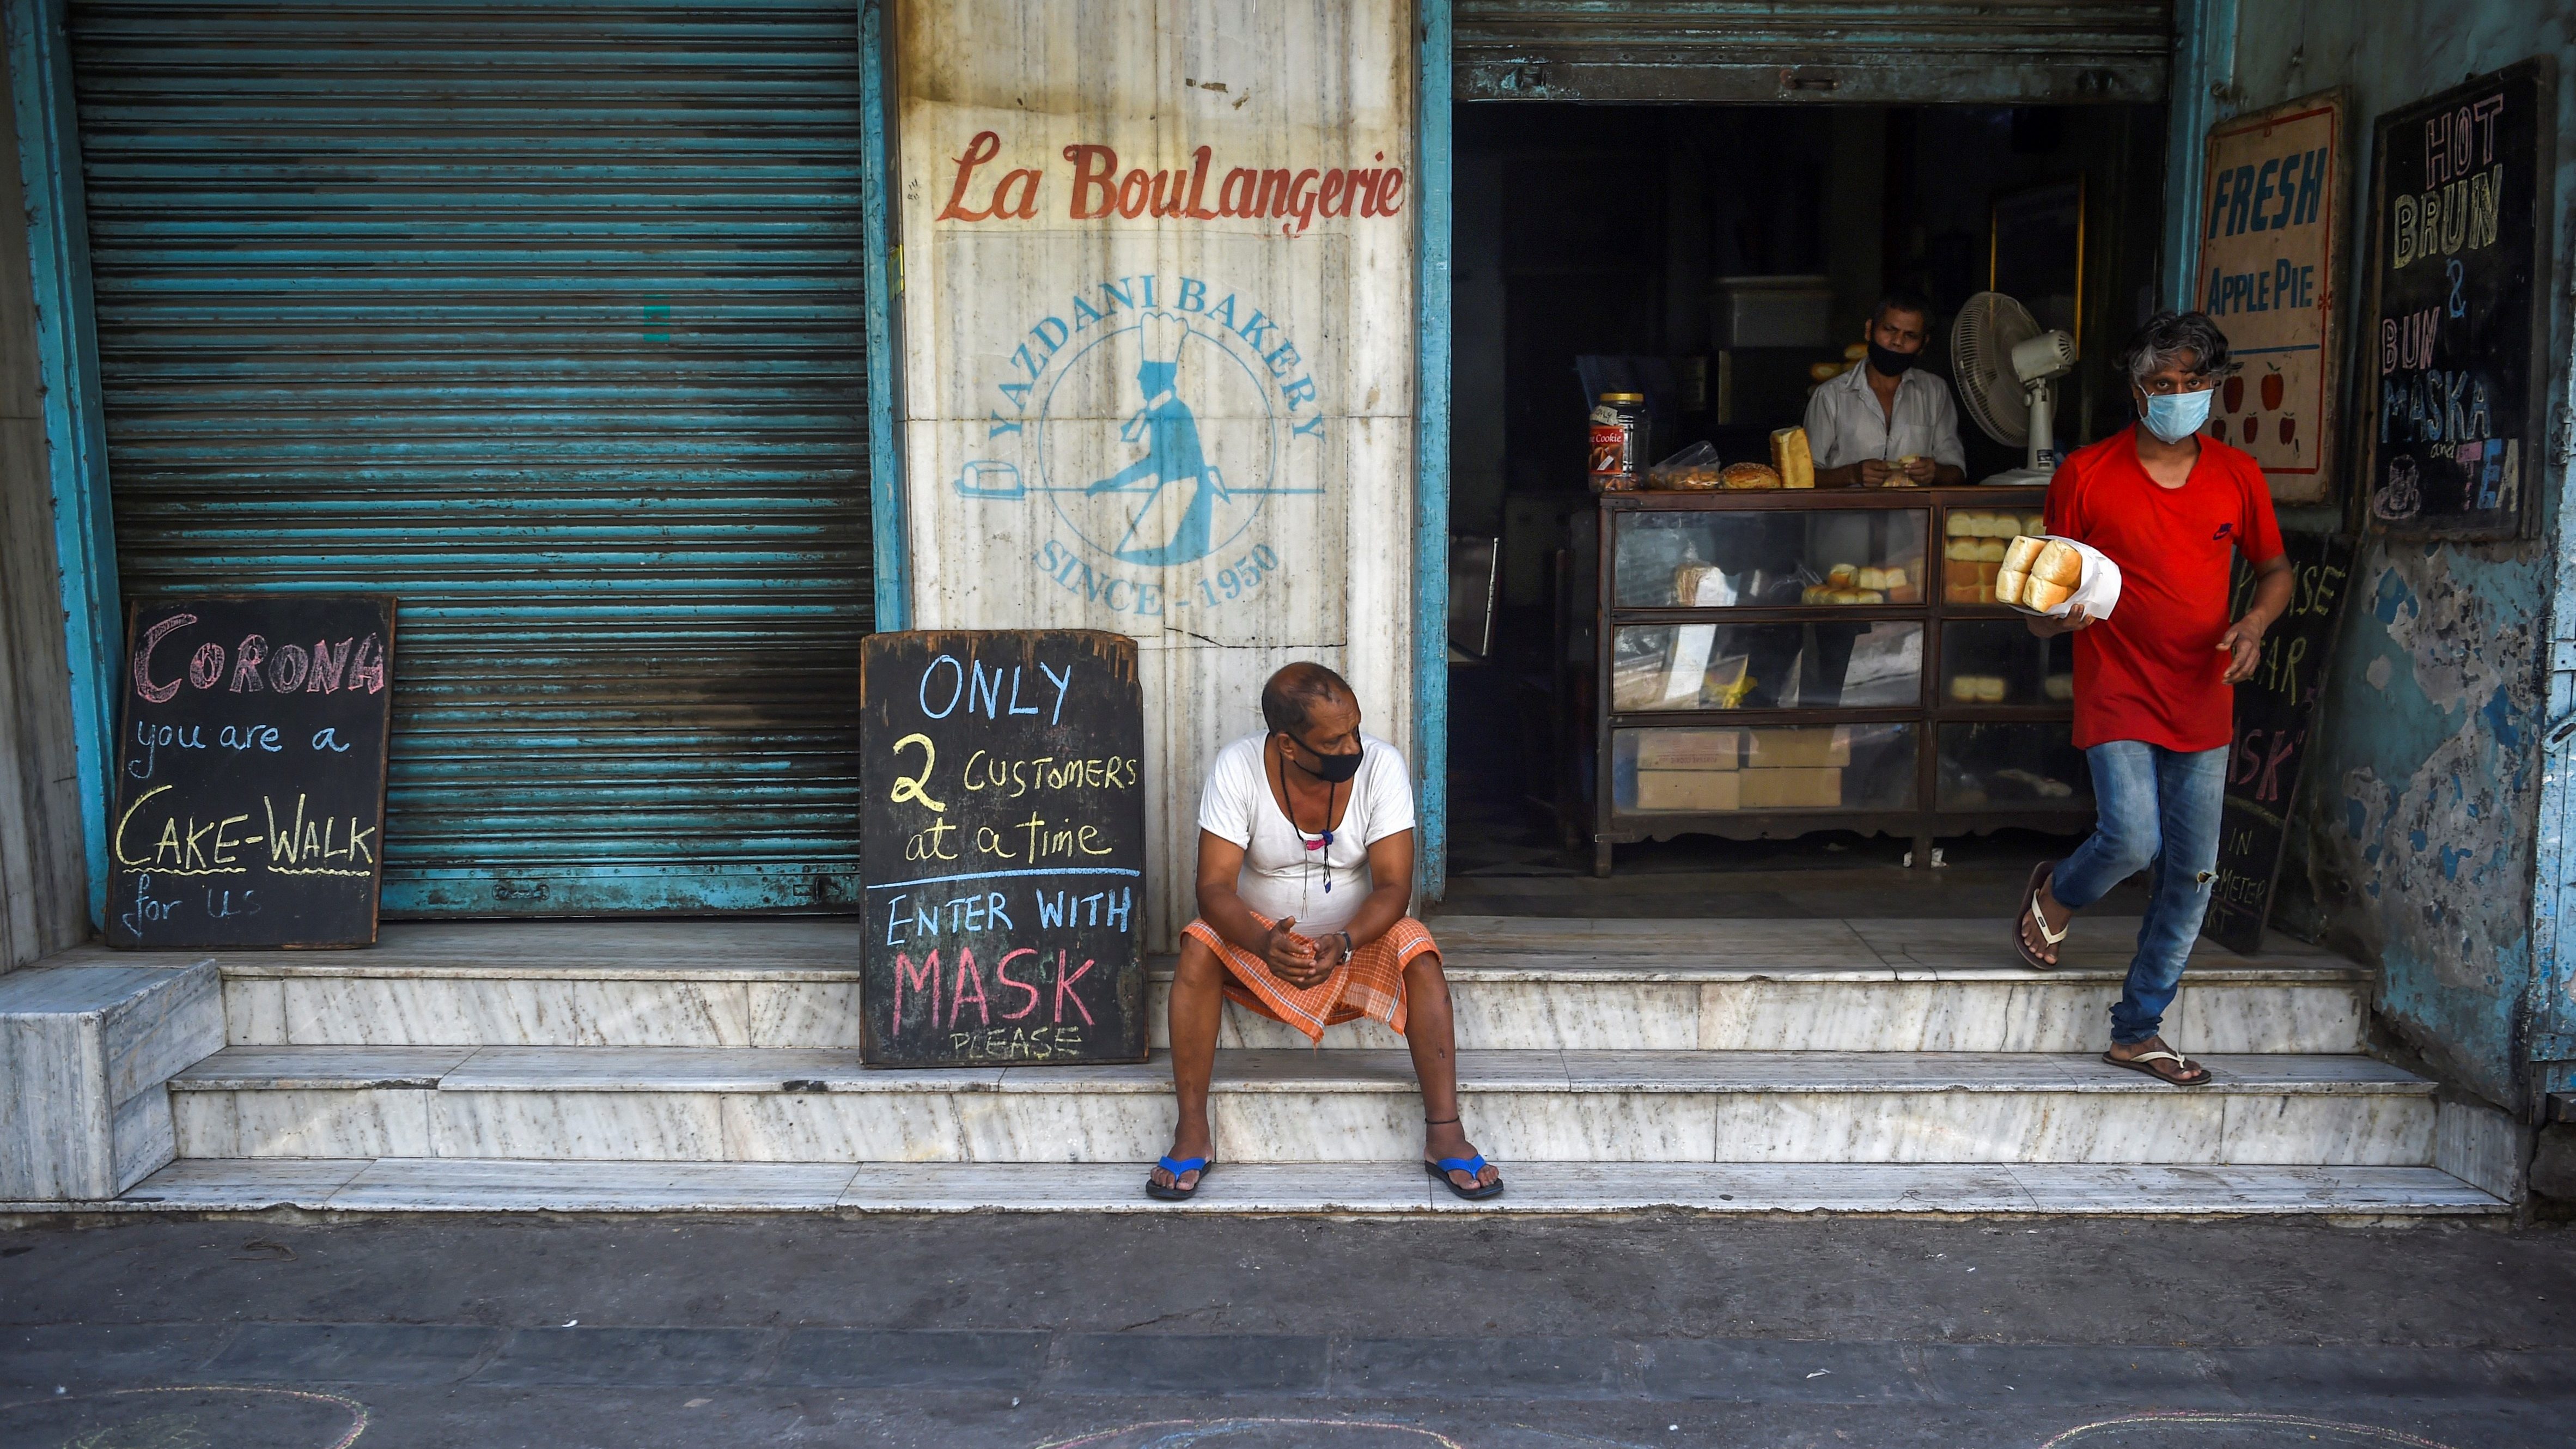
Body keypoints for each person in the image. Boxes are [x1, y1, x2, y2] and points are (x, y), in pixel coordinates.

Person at [2013, 310, 2291, 1087]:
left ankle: (2136, 1031)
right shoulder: (2086, 475)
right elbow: (2046, 595)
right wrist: (2051, 619)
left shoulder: (2238, 476)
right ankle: (2058, 892)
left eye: (2193, 383)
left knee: (2192, 874)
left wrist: (2255, 626)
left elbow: (2274, 570)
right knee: (2133, 840)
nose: (2178, 395)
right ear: (2135, 390)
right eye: (2162, 384)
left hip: (2204, 694)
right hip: (2118, 683)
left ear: (2215, 388)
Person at [1147, 662, 1502, 1202]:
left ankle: (1444, 1131)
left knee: (1420, 951)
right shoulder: (1238, 767)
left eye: (1355, 729)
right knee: (1198, 944)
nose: (1354, 745)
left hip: (1353, 943)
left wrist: (1345, 941)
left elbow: (1392, 887)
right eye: (1335, 739)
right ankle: (1192, 1127)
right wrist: (1266, 942)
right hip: (1261, 945)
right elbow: (1213, 888)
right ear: (1288, 746)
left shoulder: (1381, 766)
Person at [1802, 289, 1969, 488]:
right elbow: (1803, 478)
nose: (1898, 342)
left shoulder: (1935, 392)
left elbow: (1957, 473)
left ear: (1923, 344)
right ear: (1869, 330)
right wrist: (1853, 474)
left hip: (1915, 519)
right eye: (1889, 330)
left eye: (1911, 335)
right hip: (1848, 519)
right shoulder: (1831, 396)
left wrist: (1935, 472)